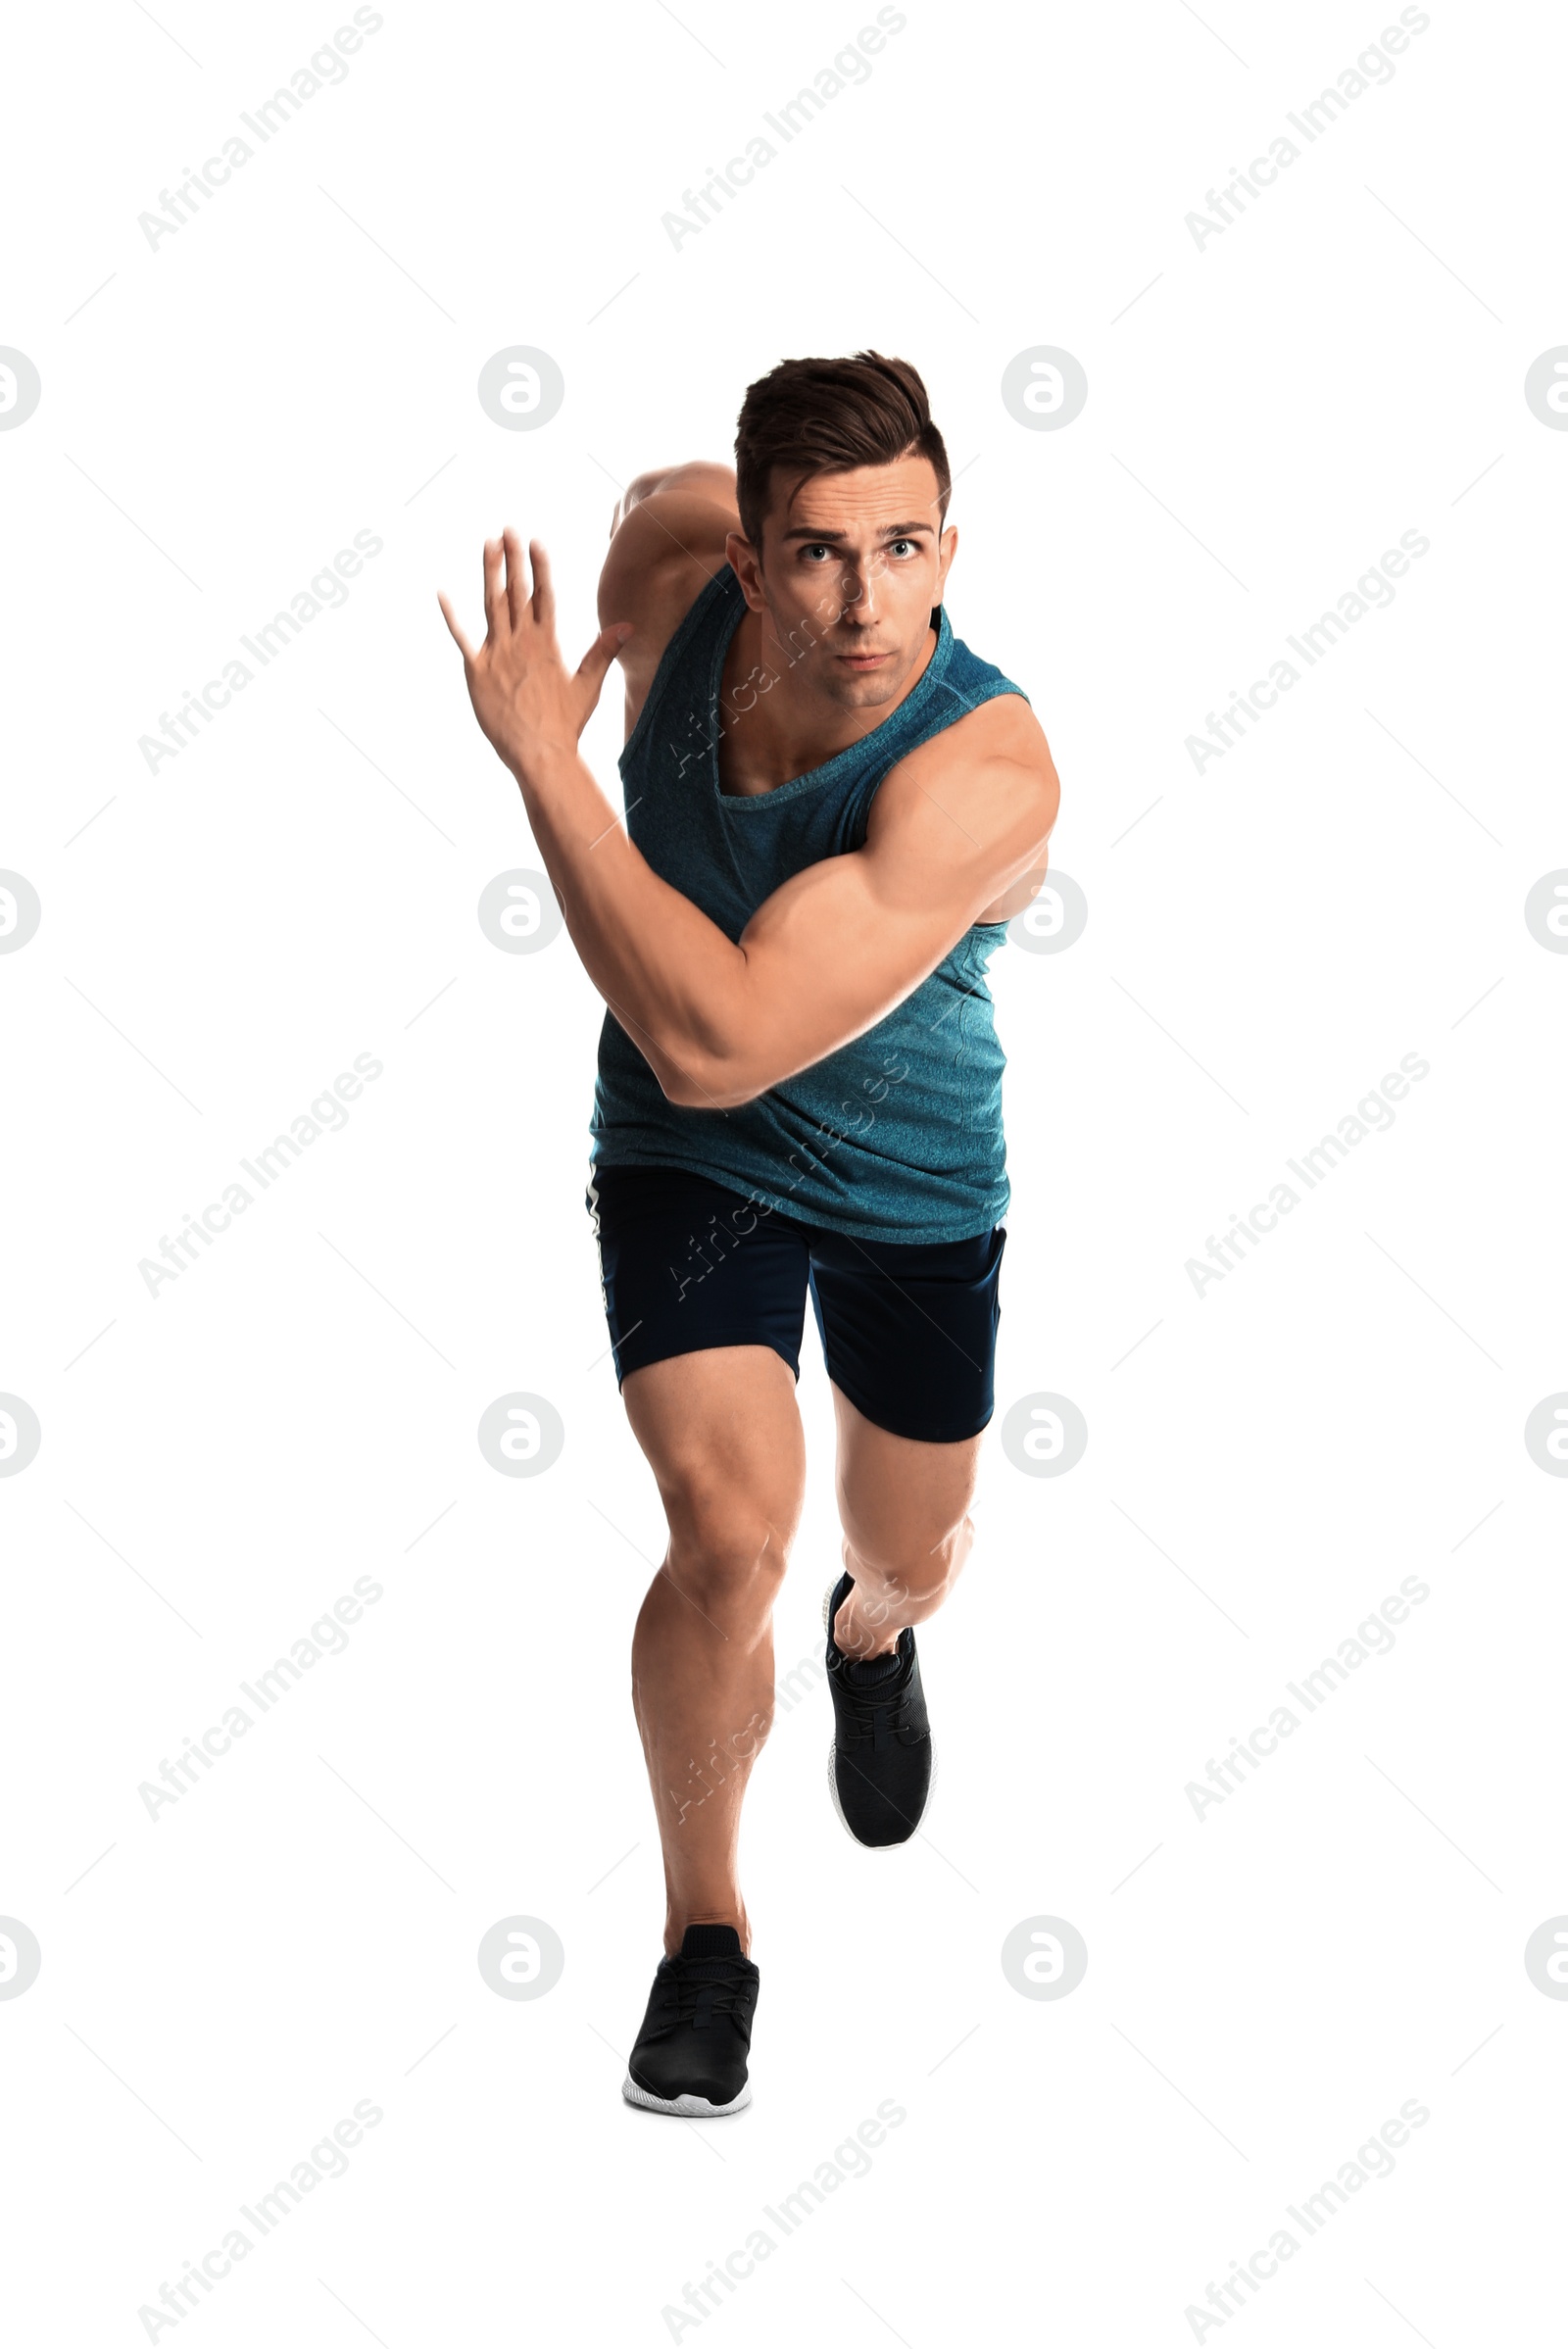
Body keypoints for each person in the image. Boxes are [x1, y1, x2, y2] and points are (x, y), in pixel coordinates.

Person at [440, 352, 1059, 2116]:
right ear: (745, 554)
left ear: (951, 542)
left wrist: (544, 771)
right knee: (725, 1530)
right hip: (685, 1152)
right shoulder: (660, 562)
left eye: (906, 546)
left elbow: (726, 1029)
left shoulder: (991, 773)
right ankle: (705, 1940)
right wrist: (581, 731)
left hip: (913, 1173)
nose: (866, 602)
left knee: (908, 1544)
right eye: (815, 553)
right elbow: (692, 1071)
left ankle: (873, 1636)